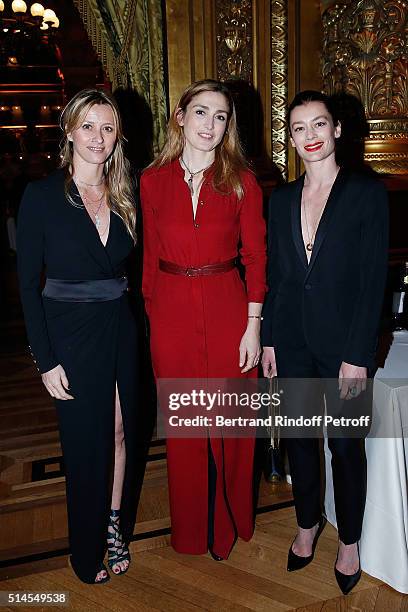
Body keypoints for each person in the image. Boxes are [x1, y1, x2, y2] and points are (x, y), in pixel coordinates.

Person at [261, 90, 388, 595]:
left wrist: (358, 355)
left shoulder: (365, 193)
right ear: (290, 138)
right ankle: (308, 523)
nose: (310, 136)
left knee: (344, 445)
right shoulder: (282, 199)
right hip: (290, 340)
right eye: (299, 128)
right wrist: (269, 339)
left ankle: (350, 540)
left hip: (344, 348)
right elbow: (276, 275)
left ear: (336, 130)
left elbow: (373, 278)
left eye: (319, 125)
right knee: (299, 440)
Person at [17, 89, 139, 584]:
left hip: (121, 327)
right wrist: (44, 360)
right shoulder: (42, 196)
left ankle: (114, 526)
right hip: (68, 334)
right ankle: (84, 548)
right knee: (85, 443)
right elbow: (27, 285)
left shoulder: (128, 193)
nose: (98, 137)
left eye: (107, 128)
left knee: (121, 430)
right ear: (68, 130)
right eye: (88, 126)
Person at [141, 79, 266, 560]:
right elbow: (150, 259)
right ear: (180, 116)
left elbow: (256, 257)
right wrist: (153, 319)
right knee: (188, 426)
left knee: (231, 421)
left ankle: (232, 522)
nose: (210, 125)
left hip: (227, 304)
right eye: (201, 113)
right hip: (170, 308)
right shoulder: (152, 180)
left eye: (220, 117)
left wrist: (252, 325)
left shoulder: (242, 181)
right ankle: (193, 530)